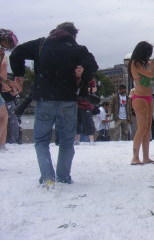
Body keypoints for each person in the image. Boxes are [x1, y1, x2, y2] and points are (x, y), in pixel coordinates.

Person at [10, 22, 98, 185]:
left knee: (42, 141)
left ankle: (48, 177)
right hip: (68, 100)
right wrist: (83, 79)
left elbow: (16, 53)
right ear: (73, 36)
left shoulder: (41, 45)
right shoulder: (78, 49)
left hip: (45, 99)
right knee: (66, 141)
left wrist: (19, 74)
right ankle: (64, 177)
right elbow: (92, 66)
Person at [128, 41, 154, 165]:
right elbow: (150, 74)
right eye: (148, 53)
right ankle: (135, 158)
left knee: (148, 128)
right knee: (142, 128)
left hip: (148, 97)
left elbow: (150, 78)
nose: (149, 56)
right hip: (139, 97)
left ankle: (146, 157)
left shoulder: (143, 64)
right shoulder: (135, 63)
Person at [0, 30, 19, 151]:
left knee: (4, 116)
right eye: (1, 46)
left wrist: (9, 86)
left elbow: (2, 77)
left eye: (5, 48)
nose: (3, 50)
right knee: (3, 116)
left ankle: (2, 144)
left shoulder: (3, 56)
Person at [74, 77, 97, 145]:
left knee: (89, 123)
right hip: (77, 105)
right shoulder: (75, 78)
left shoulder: (90, 79)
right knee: (77, 123)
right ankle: (76, 140)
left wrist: (86, 89)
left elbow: (94, 89)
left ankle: (91, 140)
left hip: (86, 105)